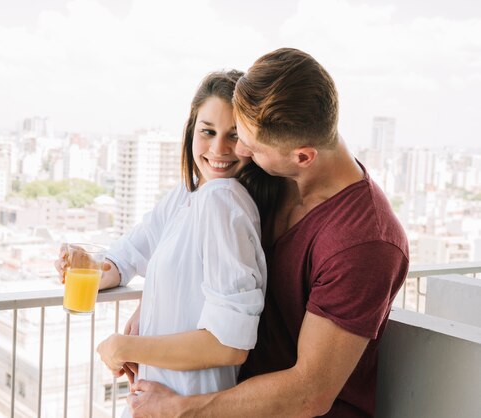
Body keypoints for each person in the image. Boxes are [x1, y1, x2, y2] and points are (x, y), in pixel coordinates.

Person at [124, 48, 409, 418]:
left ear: (303, 156)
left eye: (252, 146)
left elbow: (308, 394)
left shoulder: (365, 243)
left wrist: (180, 409)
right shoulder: (270, 177)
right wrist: (151, 304)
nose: (238, 150)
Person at [55, 70, 281, 412]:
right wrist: (86, 264)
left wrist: (126, 347)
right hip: (158, 402)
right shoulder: (189, 193)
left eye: (233, 136)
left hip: (190, 406)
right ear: (191, 131)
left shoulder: (222, 201)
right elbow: (129, 254)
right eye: (208, 131)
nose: (219, 149)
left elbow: (229, 345)